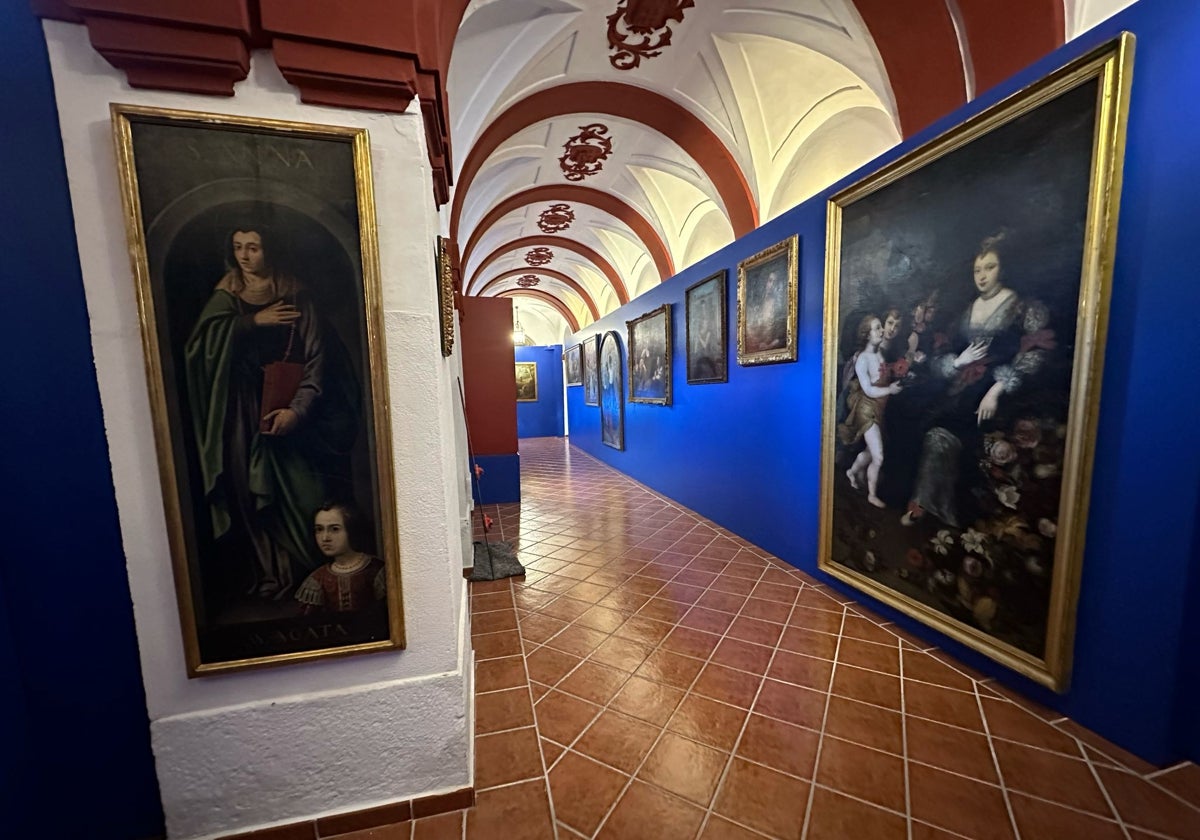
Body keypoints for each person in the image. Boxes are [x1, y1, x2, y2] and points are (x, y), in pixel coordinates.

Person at [185, 219, 360, 601]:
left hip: (290, 413)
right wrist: (249, 323)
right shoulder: (224, 297)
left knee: (296, 494)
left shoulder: (298, 297)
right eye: (238, 246)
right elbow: (198, 354)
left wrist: (296, 412)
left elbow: (318, 361)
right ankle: (265, 573)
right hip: (239, 416)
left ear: (271, 249)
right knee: (245, 492)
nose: (245, 256)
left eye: (254, 246)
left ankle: (301, 576)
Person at [885, 231, 1051, 527]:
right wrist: (958, 362)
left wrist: (998, 388)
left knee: (944, 432)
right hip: (957, 386)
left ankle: (933, 509)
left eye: (990, 267)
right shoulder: (966, 310)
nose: (982, 276)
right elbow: (944, 353)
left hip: (994, 393)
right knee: (906, 412)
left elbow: (1036, 348)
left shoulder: (1021, 307)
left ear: (1003, 268)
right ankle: (908, 498)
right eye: (977, 269)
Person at [839, 315, 904, 508]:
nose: (882, 331)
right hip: (867, 410)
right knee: (879, 456)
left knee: (869, 452)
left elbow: (884, 377)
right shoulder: (863, 359)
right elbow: (868, 390)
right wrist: (890, 390)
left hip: (879, 409)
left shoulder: (880, 355)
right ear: (867, 335)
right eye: (877, 328)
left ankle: (852, 471)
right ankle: (872, 494)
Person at [295, 502, 386, 614]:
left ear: (351, 529)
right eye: (319, 529)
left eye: (334, 529)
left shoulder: (377, 571)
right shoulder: (317, 579)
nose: (325, 538)